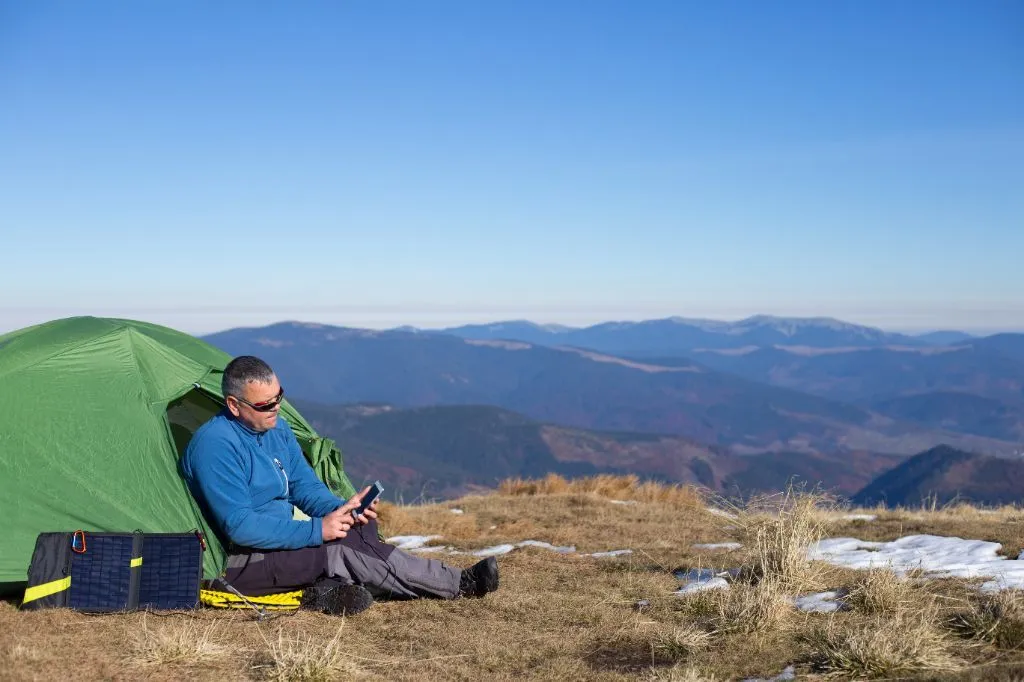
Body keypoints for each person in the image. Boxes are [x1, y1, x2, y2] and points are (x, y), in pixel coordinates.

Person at [180, 355, 499, 615]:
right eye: (265, 405)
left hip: (279, 541)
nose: (275, 407)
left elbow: (304, 487)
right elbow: (241, 527)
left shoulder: (277, 430)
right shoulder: (216, 446)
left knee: (360, 528)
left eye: (279, 397)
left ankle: (327, 590)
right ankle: (460, 584)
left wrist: (341, 510)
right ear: (235, 406)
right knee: (337, 551)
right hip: (240, 560)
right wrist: (319, 531)